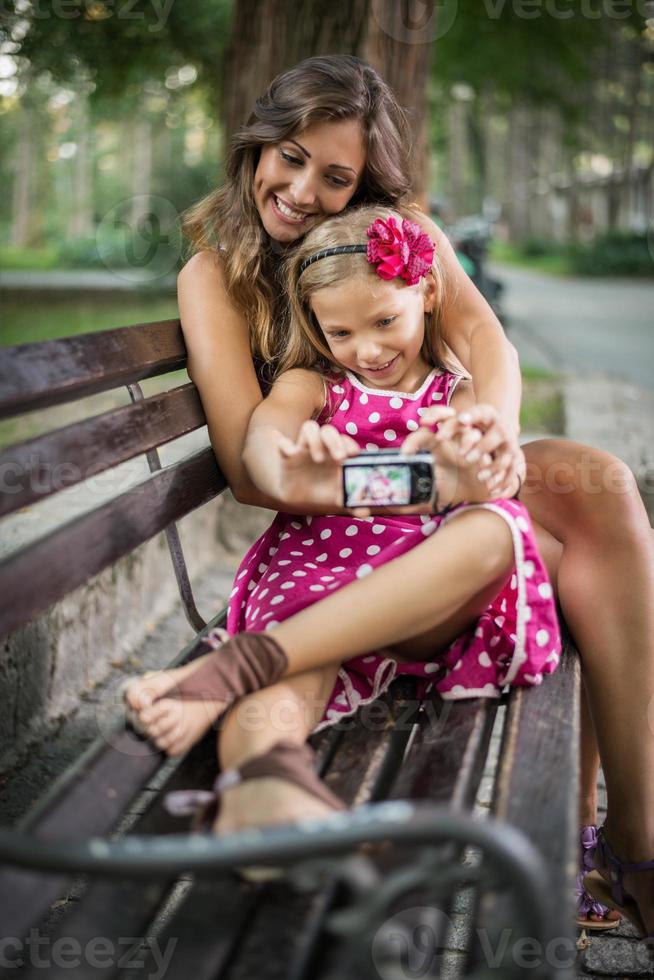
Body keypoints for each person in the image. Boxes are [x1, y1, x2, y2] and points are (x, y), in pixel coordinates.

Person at [125, 55, 653, 939]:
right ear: (258, 142)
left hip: (439, 505)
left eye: (335, 177)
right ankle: (278, 790)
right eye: (287, 156)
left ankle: (632, 842)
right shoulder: (214, 279)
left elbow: (485, 338)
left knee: (595, 485)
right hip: (331, 527)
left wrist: (485, 427)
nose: (298, 190)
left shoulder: (398, 237)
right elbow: (260, 476)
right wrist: (425, 482)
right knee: (544, 556)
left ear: (364, 182)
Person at [125, 201, 561, 812]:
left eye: (385, 321)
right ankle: (263, 794)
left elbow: (481, 487)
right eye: (341, 333)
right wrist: (296, 466)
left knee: (501, 529)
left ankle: (242, 662)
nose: (368, 350)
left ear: (428, 292)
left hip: (418, 592)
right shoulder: (311, 385)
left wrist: (360, 480)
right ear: (315, 324)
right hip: (317, 567)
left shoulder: (455, 394)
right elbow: (263, 456)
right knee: (287, 686)